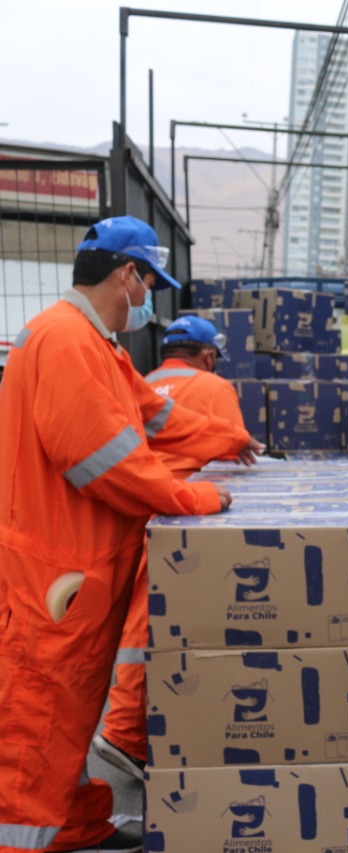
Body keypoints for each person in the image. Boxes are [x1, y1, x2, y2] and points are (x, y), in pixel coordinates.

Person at [0, 216, 256, 853]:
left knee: (75, 704)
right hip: (55, 568)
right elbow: (103, 458)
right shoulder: (64, 342)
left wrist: (232, 441)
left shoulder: (99, 347)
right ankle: (24, 837)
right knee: (42, 707)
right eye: (146, 284)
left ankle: (74, 821)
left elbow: (158, 417)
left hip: (78, 563)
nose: (147, 298)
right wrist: (192, 496)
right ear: (125, 275)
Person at [91, 315, 258, 784]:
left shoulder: (141, 380)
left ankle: (132, 726)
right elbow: (232, 455)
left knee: (133, 617)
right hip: (185, 510)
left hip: (135, 506)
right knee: (152, 621)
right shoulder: (213, 386)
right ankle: (124, 732)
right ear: (207, 355)